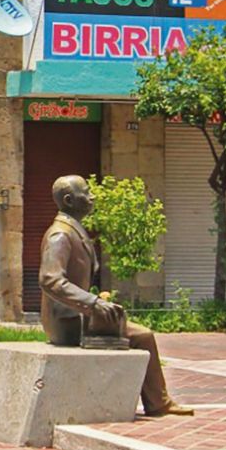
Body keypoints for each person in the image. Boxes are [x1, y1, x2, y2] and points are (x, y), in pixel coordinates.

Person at [40, 175, 193, 417]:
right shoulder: (60, 235)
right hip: (68, 323)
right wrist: (93, 303)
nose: (92, 197)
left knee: (122, 319)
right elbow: (50, 279)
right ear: (69, 200)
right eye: (86, 192)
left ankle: (157, 401)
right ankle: (158, 403)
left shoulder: (73, 231)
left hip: (76, 315)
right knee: (143, 336)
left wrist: (98, 299)